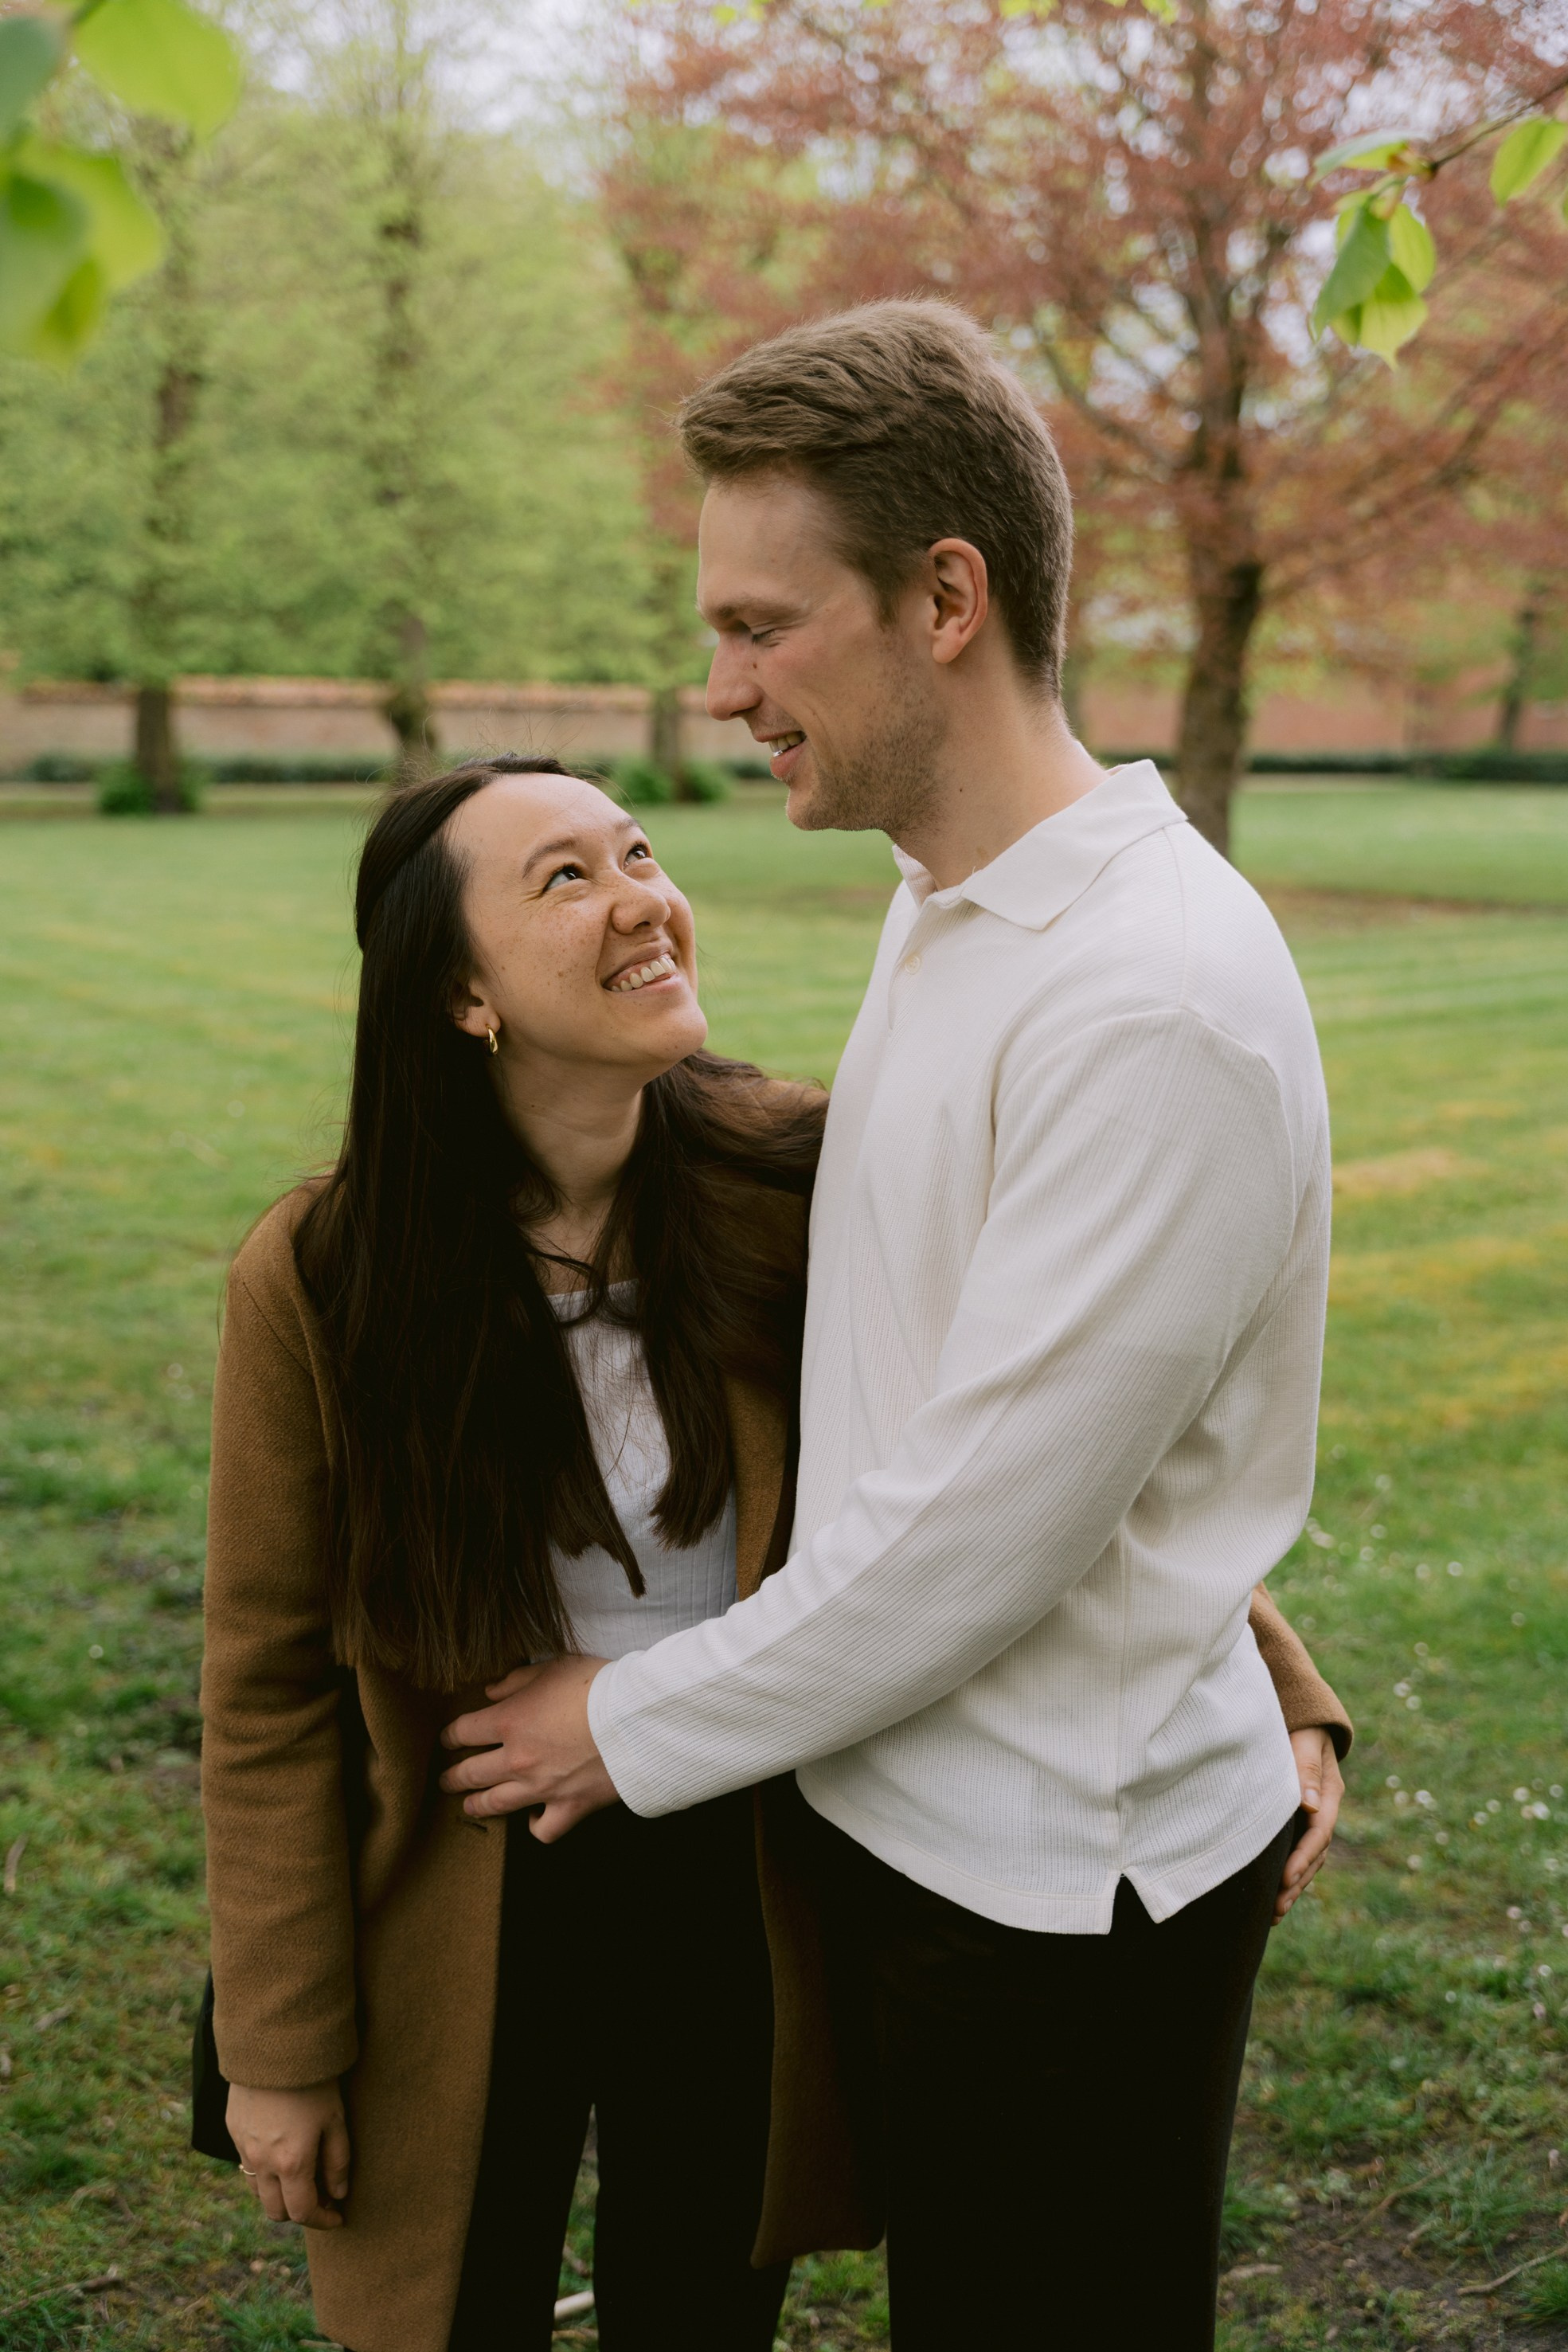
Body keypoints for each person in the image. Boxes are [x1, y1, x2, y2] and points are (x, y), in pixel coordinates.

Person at [436, 302, 1352, 2351]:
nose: (722, 685)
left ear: (945, 598)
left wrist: (630, 1721)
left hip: (1061, 1899)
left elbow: (981, 1532)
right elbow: (958, 1371)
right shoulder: (955, 902)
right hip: (906, 1833)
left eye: (764, 626)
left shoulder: (1153, 996)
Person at [200, 750, 1346, 2352]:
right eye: (564, 879)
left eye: (638, 849)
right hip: (465, 1872)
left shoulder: (797, 1173)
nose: (644, 899)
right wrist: (279, 2045)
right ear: (461, 995)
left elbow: (1042, 1445)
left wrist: (1272, 1667)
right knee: (450, 2299)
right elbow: (261, 1686)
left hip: (737, 1850)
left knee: (699, 2304)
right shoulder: (325, 1274)